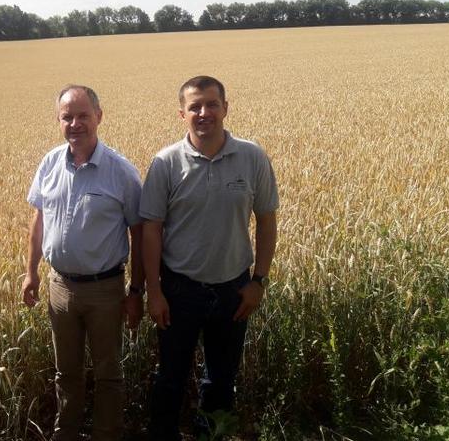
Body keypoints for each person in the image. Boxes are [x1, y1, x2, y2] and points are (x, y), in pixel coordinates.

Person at [140, 76, 279, 440]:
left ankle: (212, 436)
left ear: (225, 108)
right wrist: (153, 291)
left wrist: (258, 282)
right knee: (170, 376)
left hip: (234, 288)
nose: (204, 113)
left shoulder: (252, 156)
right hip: (178, 290)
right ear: (182, 113)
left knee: (221, 379)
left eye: (212, 104)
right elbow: (150, 228)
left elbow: (266, 220)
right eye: (195, 106)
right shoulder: (166, 162)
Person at [22, 85, 144, 441]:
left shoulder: (121, 172)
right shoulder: (49, 163)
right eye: (67, 117)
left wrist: (136, 291)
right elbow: (38, 221)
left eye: (83, 115)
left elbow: (140, 234)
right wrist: (31, 272)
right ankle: (66, 434)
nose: (75, 123)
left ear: (99, 117)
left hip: (105, 289)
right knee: (66, 373)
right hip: (59, 287)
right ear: (58, 121)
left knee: (108, 373)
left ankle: (107, 434)